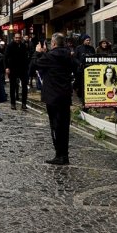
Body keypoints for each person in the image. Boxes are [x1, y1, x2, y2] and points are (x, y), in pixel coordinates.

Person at [32, 33, 74, 165]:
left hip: (53, 95)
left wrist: (37, 52)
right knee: (64, 126)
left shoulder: (50, 56)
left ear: (54, 44)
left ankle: (59, 155)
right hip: (65, 94)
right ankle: (64, 154)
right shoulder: (68, 54)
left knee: (55, 125)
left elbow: (34, 65)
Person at [5, 32, 30, 110]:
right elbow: (5, 57)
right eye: (16, 37)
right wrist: (6, 68)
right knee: (12, 86)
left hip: (23, 69)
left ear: (21, 38)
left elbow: (26, 57)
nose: (17, 39)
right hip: (13, 68)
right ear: (14, 38)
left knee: (24, 87)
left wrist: (27, 67)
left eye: (19, 37)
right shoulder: (9, 46)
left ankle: (24, 104)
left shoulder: (23, 46)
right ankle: (13, 103)